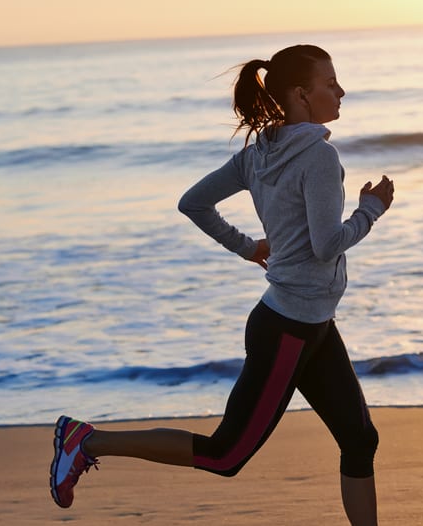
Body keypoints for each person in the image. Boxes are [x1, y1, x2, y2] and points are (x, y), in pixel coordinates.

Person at [49, 44, 394, 526]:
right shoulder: (319, 156)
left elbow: (193, 203)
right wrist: (371, 211)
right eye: (330, 82)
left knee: (360, 440)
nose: (341, 91)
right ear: (301, 94)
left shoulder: (258, 155)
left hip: (308, 323)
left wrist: (248, 247)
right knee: (223, 456)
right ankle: (87, 441)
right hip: (290, 331)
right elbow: (326, 245)